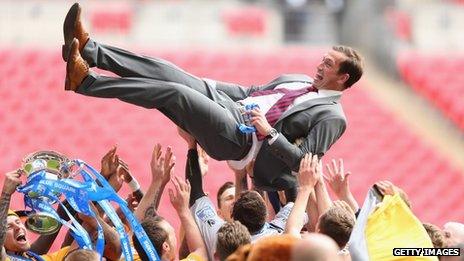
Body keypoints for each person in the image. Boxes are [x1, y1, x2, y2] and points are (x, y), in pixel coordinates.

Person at [62, 3, 363, 191]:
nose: (319, 66)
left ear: (343, 77)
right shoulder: (298, 80)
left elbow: (303, 163)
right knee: (169, 72)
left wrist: (269, 133)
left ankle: (86, 82)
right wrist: (207, 84)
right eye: (322, 59)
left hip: (242, 140)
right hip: (232, 106)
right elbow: (251, 93)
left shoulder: (333, 116)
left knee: (175, 93)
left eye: (328, 64)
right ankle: (90, 50)